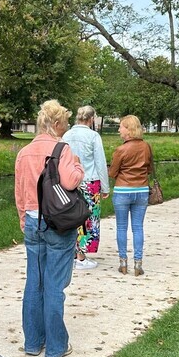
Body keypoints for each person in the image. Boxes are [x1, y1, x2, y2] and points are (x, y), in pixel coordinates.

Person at [14, 99, 84, 357]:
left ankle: (33, 342)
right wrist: (77, 165)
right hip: (56, 222)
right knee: (55, 285)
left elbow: (19, 190)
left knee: (35, 282)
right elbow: (70, 180)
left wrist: (23, 217)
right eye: (64, 123)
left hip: (32, 219)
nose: (66, 128)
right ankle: (56, 347)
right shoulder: (62, 149)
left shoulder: (24, 152)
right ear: (55, 124)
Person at [62, 105, 109, 270]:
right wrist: (105, 187)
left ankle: (74, 252)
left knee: (73, 217)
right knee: (89, 218)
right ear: (91, 119)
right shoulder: (93, 136)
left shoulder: (66, 135)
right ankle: (81, 256)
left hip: (70, 182)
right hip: (90, 181)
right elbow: (100, 162)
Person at [108, 115, 154, 276]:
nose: (119, 130)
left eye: (121, 127)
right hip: (141, 190)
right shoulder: (146, 146)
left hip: (123, 190)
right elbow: (149, 169)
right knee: (138, 227)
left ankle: (123, 263)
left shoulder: (121, 150)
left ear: (128, 130)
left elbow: (113, 173)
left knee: (121, 227)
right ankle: (138, 264)